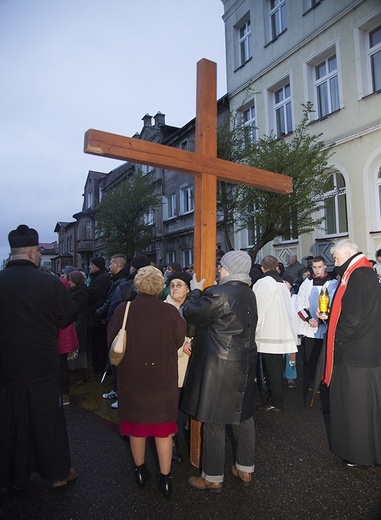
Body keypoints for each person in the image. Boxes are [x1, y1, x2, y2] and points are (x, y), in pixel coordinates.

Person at [0, 224, 77, 489]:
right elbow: (68, 316)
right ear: (34, 253)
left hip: (6, 366)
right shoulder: (49, 282)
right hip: (42, 364)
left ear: (13, 252)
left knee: (7, 420)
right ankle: (57, 473)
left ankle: (11, 476)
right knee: (47, 420)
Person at [107, 266, 186, 500]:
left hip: (132, 379)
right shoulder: (169, 311)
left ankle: (140, 471)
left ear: (137, 285)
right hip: (162, 378)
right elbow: (178, 340)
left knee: (137, 429)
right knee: (163, 431)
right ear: (160, 286)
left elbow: (111, 339)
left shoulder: (124, 309)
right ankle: (166, 477)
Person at [181, 250, 257, 493]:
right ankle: (245, 468)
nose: (218, 270)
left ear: (229, 269)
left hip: (220, 365)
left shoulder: (219, 293)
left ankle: (212, 477)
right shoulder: (249, 293)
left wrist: (194, 290)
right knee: (242, 417)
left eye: (221, 266)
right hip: (243, 361)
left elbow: (190, 312)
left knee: (214, 420)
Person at [321, 239, 381, 468]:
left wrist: (336, 341)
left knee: (356, 409)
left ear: (346, 255)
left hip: (355, 355)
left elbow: (352, 319)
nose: (334, 263)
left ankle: (359, 455)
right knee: (368, 408)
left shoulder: (357, 276)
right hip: (365, 352)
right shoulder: (364, 273)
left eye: (335, 258)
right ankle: (370, 451)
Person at [253, 255, 297, 412]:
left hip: (269, 333)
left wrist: (253, 329)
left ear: (262, 268)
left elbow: (258, 309)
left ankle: (276, 402)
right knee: (276, 369)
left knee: (272, 369)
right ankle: (276, 399)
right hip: (281, 331)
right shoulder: (281, 283)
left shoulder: (263, 283)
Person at [165, 271, 195, 463]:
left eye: (179, 284)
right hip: (173, 365)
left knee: (187, 404)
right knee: (173, 407)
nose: (175, 288)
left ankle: (189, 438)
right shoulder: (165, 308)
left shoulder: (192, 308)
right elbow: (159, 338)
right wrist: (180, 346)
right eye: (172, 284)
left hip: (192, 365)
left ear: (188, 288)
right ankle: (172, 443)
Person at [296, 256, 338, 394]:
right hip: (310, 327)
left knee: (324, 357)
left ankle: (324, 382)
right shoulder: (306, 283)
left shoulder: (332, 283)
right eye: (314, 267)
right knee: (310, 358)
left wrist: (321, 320)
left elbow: (335, 306)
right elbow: (299, 304)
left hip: (325, 327)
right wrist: (309, 319)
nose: (317, 270)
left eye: (320, 267)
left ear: (325, 266)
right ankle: (313, 383)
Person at [95, 254, 130, 405]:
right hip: (114, 322)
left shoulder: (121, 283)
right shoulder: (117, 280)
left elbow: (112, 302)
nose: (108, 267)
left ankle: (120, 393)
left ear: (117, 265)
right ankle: (116, 390)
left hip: (117, 324)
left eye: (110, 264)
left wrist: (100, 312)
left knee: (117, 357)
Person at [86, 257, 111, 378]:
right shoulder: (97, 277)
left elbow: (92, 295)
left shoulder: (102, 278)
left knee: (99, 344)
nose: (89, 267)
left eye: (91, 265)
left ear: (97, 266)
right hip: (95, 315)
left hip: (98, 316)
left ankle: (100, 369)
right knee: (96, 344)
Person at [68, 270, 89, 386]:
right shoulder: (75, 291)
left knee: (80, 350)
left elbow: (76, 309)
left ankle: (83, 374)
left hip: (79, 324)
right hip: (77, 323)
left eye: (70, 280)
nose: (69, 282)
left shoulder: (80, 293)